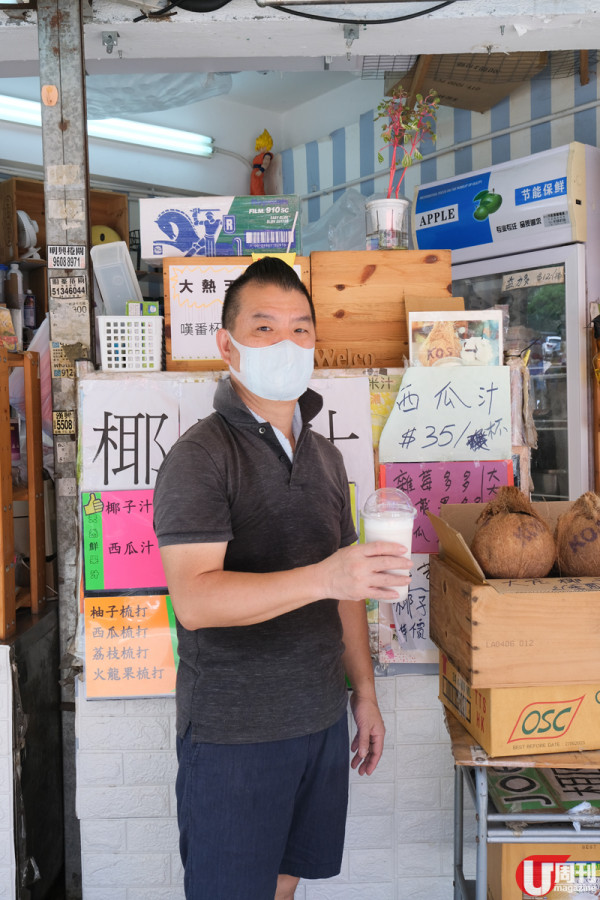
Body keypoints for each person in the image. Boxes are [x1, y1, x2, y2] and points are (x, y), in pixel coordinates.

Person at [152, 257, 412, 900]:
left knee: (287, 885)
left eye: (301, 328)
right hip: (234, 734)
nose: (287, 344)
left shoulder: (325, 455)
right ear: (226, 344)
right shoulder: (200, 456)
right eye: (264, 328)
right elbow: (195, 600)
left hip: (320, 722)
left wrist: (365, 693)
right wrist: (325, 576)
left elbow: (347, 589)